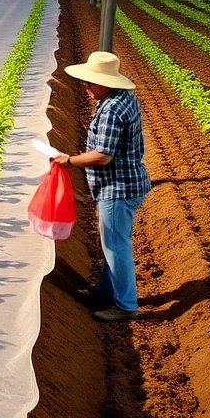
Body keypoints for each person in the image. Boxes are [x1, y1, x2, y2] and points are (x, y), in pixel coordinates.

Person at [54, 51, 150, 323]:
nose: (86, 85)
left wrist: (69, 161)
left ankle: (126, 305)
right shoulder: (122, 99)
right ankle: (105, 290)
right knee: (113, 242)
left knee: (116, 246)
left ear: (107, 82)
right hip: (127, 183)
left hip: (118, 188)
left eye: (91, 81)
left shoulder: (112, 110)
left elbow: (103, 155)